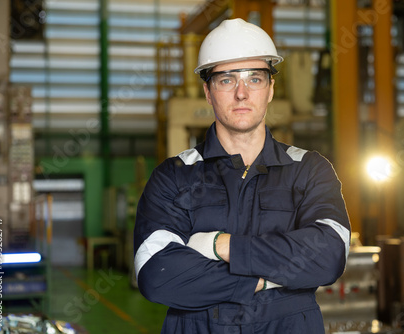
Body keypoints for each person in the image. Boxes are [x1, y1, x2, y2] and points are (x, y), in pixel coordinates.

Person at [134, 18, 351, 334]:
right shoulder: (174, 177)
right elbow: (158, 274)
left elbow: (329, 256)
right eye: (226, 80)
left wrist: (221, 245)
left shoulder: (309, 170)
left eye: (255, 79)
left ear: (271, 89)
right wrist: (265, 279)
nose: (241, 93)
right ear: (208, 91)